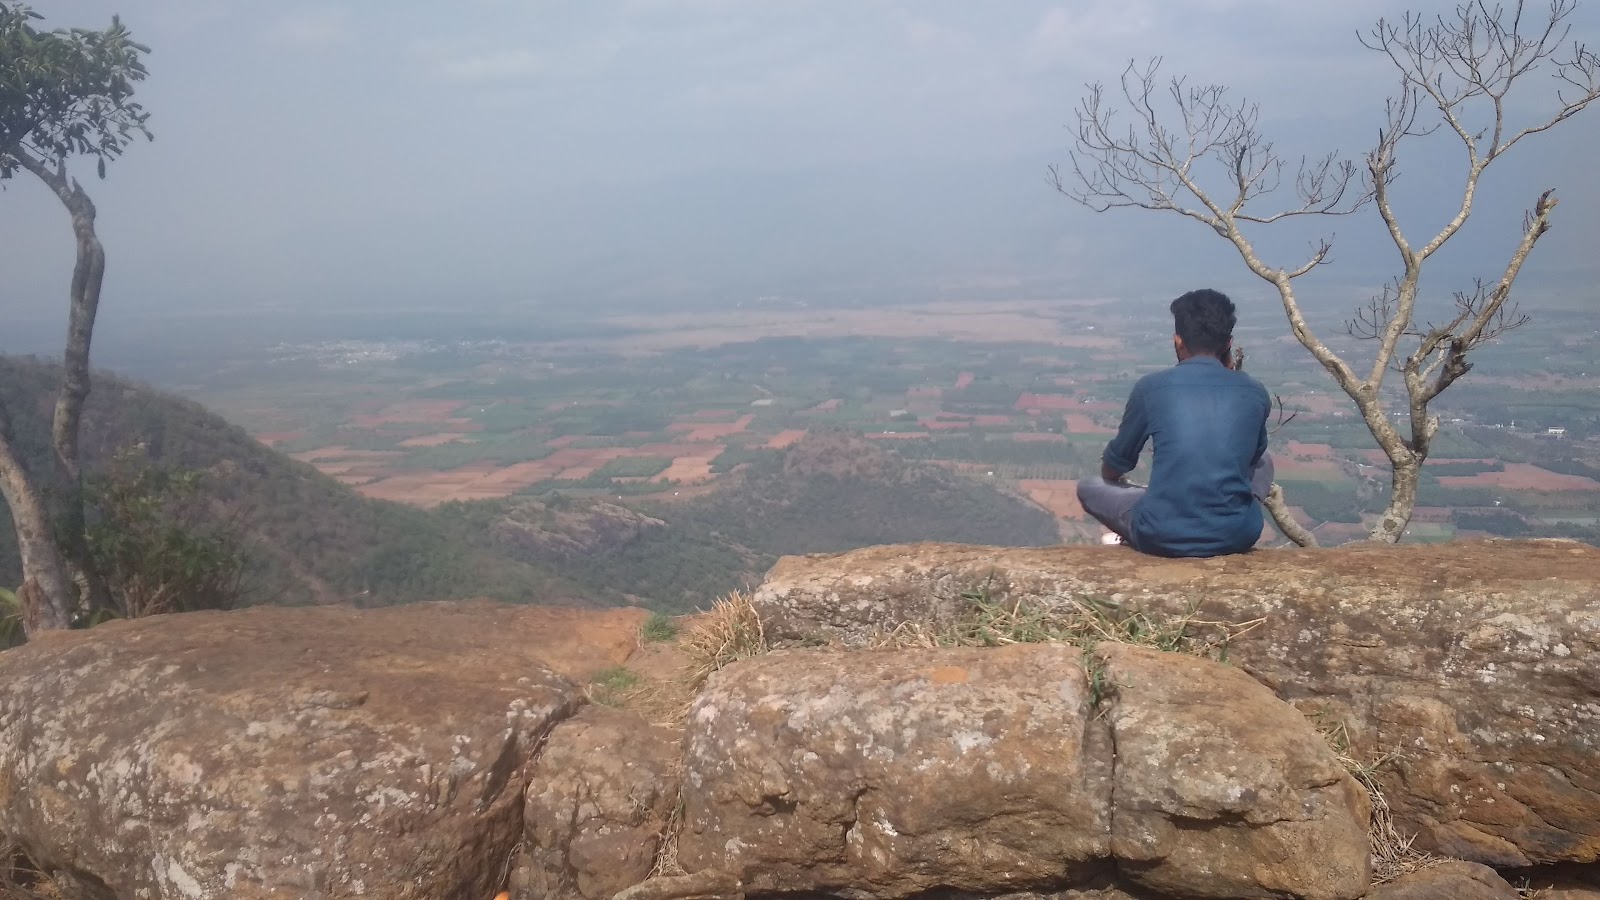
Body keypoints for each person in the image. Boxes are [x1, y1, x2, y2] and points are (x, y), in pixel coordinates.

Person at [1075, 288, 1274, 558]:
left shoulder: (1151, 388)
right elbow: (1254, 458)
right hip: (1238, 534)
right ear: (1228, 343)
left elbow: (1116, 464)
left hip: (1162, 533)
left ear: (1178, 341)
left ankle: (1137, 526)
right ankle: (1229, 515)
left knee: (1089, 487)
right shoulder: (1254, 391)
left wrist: (1121, 483)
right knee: (1265, 461)